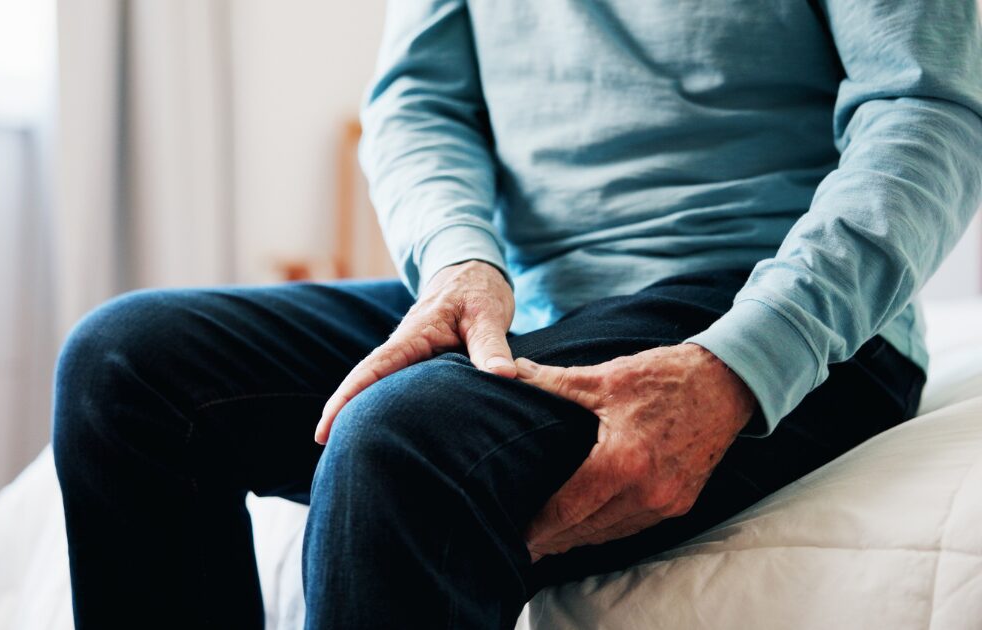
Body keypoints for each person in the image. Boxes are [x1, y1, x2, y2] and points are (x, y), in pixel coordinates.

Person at [51, 1, 982, 628]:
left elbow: (926, 113)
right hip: (536, 300)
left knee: (399, 438)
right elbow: (419, 100)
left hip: (760, 303)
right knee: (125, 366)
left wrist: (745, 362)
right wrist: (460, 262)